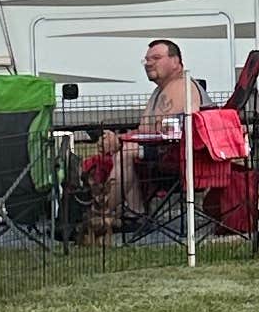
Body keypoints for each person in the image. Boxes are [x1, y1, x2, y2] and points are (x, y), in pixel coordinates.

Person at [80, 38, 200, 230]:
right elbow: (147, 130)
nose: (149, 63)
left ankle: (98, 215)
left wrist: (122, 141)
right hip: (166, 152)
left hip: (184, 157)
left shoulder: (180, 86)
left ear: (176, 62)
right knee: (126, 151)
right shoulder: (160, 91)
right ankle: (135, 214)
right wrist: (119, 139)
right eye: (146, 60)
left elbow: (165, 132)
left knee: (126, 154)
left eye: (156, 57)